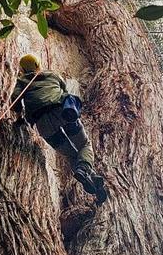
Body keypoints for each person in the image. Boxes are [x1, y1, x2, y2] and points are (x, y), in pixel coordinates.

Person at [11, 53, 108, 204]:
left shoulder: (21, 81)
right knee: (84, 145)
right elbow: (64, 88)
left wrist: (19, 118)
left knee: (70, 154)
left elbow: (15, 100)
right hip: (62, 113)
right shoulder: (51, 74)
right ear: (38, 65)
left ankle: (88, 174)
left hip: (43, 124)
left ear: (23, 69)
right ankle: (86, 171)